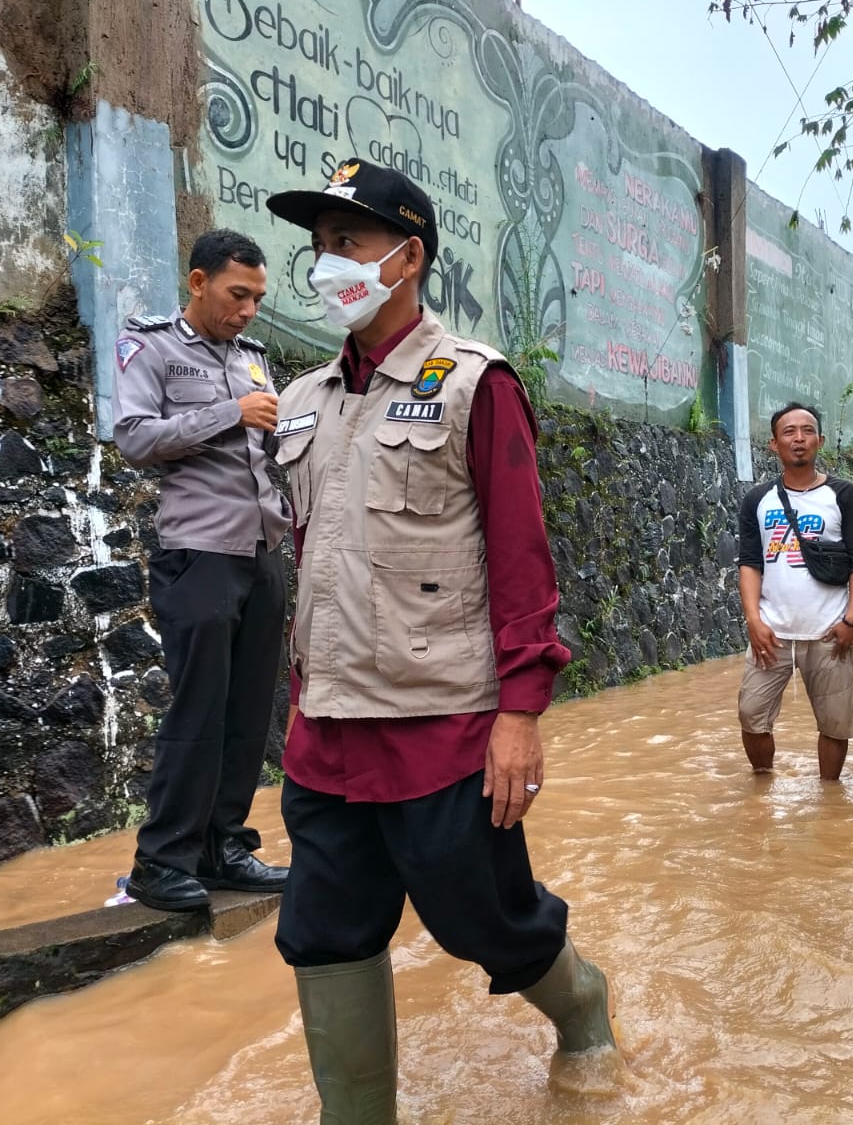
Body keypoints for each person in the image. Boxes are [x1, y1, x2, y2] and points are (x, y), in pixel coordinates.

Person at [264, 158, 616, 1121]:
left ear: (407, 256)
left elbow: (521, 561)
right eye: (320, 245)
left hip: (446, 724)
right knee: (325, 931)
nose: (326, 262)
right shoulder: (299, 403)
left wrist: (521, 714)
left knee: (480, 919)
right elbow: (313, 566)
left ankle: (583, 1008)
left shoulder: (473, 385)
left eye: (349, 242)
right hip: (327, 727)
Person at [112, 229, 291, 911]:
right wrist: (230, 413)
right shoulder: (150, 345)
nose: (248, 310)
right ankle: (161, 861)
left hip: (259, 550)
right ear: (198, 283)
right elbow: (133, 438)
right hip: (199, 552)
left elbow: (266, 445)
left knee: (249, 709)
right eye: (236, 294)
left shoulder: (252, 357)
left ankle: (226, 848)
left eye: (257, 298)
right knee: (199, 707)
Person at [737, 403, 853, 780]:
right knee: (752, 715)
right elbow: (750, 563)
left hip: (829, 630)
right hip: (772, 633)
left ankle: (829, 794)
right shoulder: (758, 500)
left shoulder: (843, 495)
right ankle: (763, 784)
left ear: (820, 440)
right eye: (789, 432)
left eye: (807, 431)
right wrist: (753, 620)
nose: (799, 439)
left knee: (834, 724)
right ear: (773, 444)